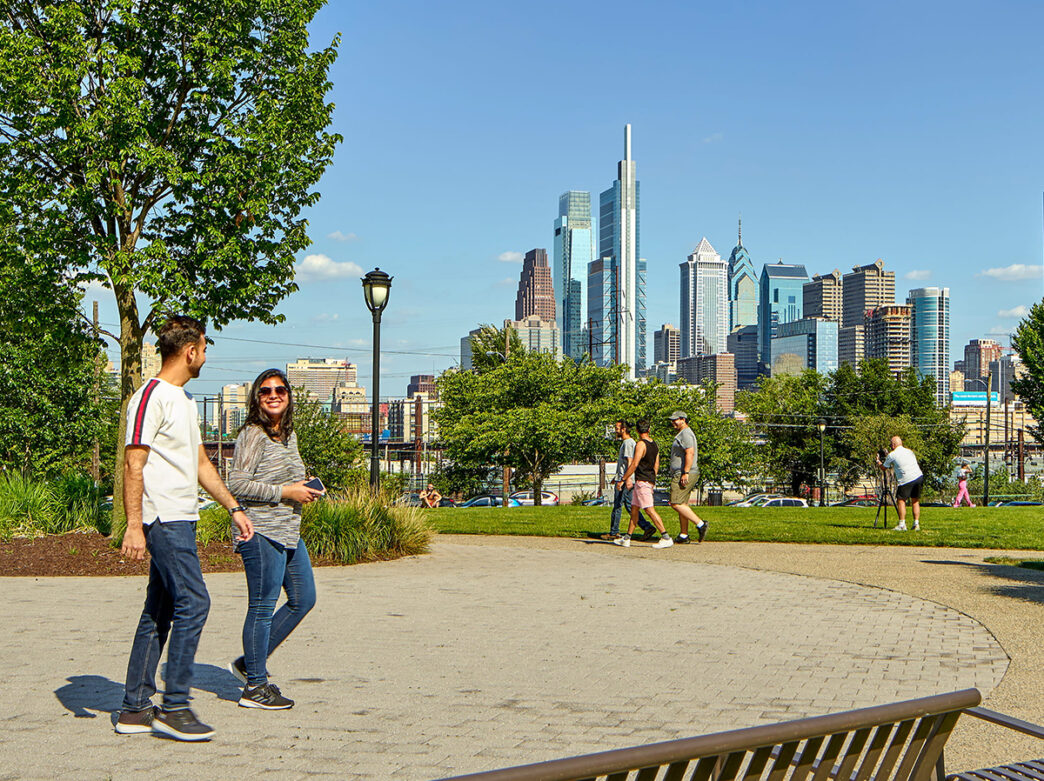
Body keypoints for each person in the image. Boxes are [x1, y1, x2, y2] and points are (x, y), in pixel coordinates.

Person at [115, 316, 254, 741]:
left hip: (182, 517)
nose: (207, 355)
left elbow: (199, 465)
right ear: (190, 350)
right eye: (205, 348)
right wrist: (134, 527)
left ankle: (135, 708)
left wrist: (233, 507)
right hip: (163, 518)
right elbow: (132, 463)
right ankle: (175, 705)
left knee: (158, 612)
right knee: (195, 602)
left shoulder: (184, 401)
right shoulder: (149, 397)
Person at [227, 369, 322, 710]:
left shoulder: (288, 434)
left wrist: (304, 486)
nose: (273, 394)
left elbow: (285, 477)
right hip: (261, 529)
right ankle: (255, 686)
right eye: (265, 390)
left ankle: (248, 662)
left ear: (288, 395)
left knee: (303, 598)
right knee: (262, 606)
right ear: (256, 397)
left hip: (289, 529)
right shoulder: (252, 434)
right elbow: (236, 483)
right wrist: (286, 491)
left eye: (280, 389)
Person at [613, 421, 673, 548]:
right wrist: (653, 477)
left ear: (637, 431)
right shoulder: (654, 445)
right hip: (647, 479)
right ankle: (627, 538)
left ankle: (666, 536)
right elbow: (656, 463)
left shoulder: (641, 444)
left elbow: (634, 463)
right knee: (634, 509)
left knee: (649, 509)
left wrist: (623, 479)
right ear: (649, 429)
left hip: (642, 481)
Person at [600, 420, 656, 541]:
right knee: (631, 506)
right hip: (623, 478)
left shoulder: (628, 443)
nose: (616, 430)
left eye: (617, 428)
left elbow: (631, 462)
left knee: (618, 506)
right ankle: (647, 527)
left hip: (625, 480)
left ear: (624, 429)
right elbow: (625, 464)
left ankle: (614, 532)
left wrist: (626, 479)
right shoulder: (627, 443)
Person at [667, 411, 708, 544]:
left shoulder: (686, 433)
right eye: (672, 420)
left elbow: (690, 453)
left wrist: (685, 472)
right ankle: (684, 535)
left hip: (683, 473)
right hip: (682, 472)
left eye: (675, 420)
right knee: (682, 503)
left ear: (683, 420)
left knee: (675, 503)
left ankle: (701, 524)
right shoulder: (683, 433)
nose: (673, 422)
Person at [878, 436, 924, 531]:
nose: (890, 446)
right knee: (915, 501)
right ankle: (916, 523)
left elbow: (884, 467)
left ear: (894, 445)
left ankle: (902, 524)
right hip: (918, 476)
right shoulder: (909, 451)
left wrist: (878, 462)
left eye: (891, 444)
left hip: (906, 479)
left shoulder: (892, 455)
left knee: (901, 500)